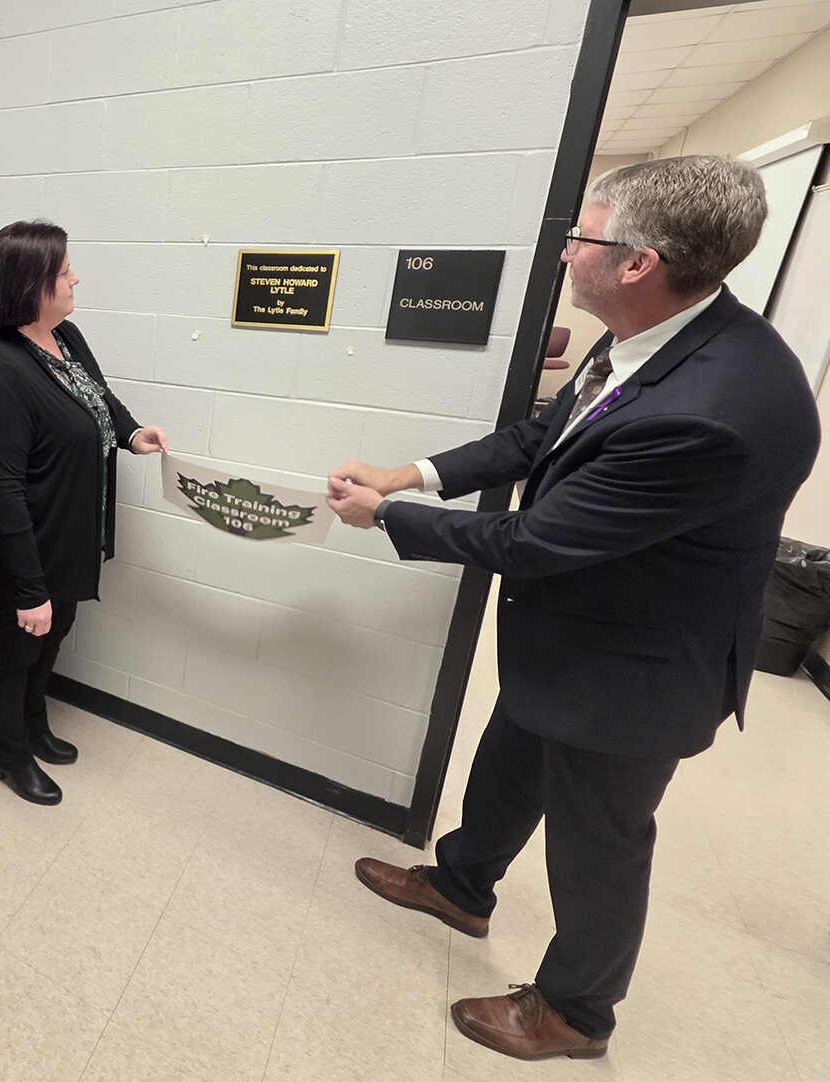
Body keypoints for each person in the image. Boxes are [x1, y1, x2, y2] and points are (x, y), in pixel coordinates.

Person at [326, 155, 819, 1061]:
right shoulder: (648, 335)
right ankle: (462, 887)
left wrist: (388, 517)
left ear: (639, 262)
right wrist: (412, 472)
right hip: (571, 634)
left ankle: (575, 1012)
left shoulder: (716, 406)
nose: (564, 252)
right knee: (509, 764)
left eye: (581, 236)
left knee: (601, 841)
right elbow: (540, 438)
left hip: (638, 670)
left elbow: (536, 540)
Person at [0, 220, 168, 806]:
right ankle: (9, 753)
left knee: (54, 640)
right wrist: (29, 589)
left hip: (71, 534)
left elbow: (97, 395)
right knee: (16, 649)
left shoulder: (66, 336)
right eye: (62, 273)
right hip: (25, 549)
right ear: (29, 286)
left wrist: (130, 433)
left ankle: (33, 723)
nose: (75, 277)